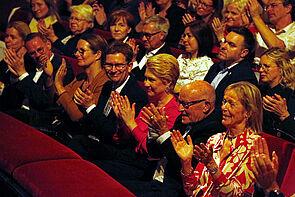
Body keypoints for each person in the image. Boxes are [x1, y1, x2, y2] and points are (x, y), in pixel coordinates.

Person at [123, 80, 224, 196]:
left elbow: (182, 167)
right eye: (180, 102)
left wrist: (163, 133)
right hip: (154, 175)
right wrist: (154, 131)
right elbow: (154, 153)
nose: (180, 109)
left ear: (206, 106)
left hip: (174, 189)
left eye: (186, 104)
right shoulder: (182, 119)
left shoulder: (214, 129)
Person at [171, 81, 263, 196]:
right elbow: (191, 190)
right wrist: (186, 162)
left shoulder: (255, 147)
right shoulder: (214, 140)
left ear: (248, 112)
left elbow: (235, 194)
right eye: (224, 102)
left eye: (231, 104)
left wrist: (212, 166)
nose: (224, 108)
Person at [68, 42, 148, 159]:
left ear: (129, 66)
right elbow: (99, 120)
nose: (113, 70)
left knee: (77, 143)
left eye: (119, 65)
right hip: (97, 140)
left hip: (116, 150)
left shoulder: (136, 94)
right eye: (109, 65)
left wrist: (90, 107)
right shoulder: (108, 85)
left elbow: (113, 133)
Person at [2, 32, 74, 127]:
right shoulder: (29, 61)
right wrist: (15, 77)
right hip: (22, 108)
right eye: (32, 53)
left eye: (40, 50)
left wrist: (22, 74)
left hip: (42, 117)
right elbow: (18, 90)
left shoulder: (61, 66)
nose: (38, 55)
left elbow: (43, 101)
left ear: (48, 45)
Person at [52, 33, 109, 136]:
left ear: (98, 54)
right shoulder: (81, 77)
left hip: (83, 135)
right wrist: (50, 78)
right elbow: (58, 99)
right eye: (76, 51)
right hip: (67, 127)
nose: (77, 54)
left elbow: (77, 116)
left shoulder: (104, 82)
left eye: (82, 51)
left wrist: (59, 85)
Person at [204, 26, 258, 115]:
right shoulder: (216, 66)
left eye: (231, 45)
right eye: (225, 41)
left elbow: (233, 111)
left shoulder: (245, 77)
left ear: (243, 53)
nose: (223, 46)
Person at [258, 48, 295, 143]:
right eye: (260, 66)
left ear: (281, 68)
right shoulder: (259, 91)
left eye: (266, 66)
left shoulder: (290, 94)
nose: (261, 70)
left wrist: (284, 115)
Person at [0, 21, 32, 111]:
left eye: (12, 37)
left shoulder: (29, 62)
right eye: (6, 36)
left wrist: (2, 87)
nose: (7, 40)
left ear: (24, 41)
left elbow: (22, 93)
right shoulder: (7, 59)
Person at [132, 15, 172, 82]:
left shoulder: (165, 58)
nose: (143, 39)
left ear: (161, 35)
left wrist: (133, 60)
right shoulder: (139, 49)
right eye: (143, 34)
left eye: (148, 35)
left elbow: (143, 81)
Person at [176, 21, 214, 88]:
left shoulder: (206, 65)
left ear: (200, 38)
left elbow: (194, 89)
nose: (185, 39)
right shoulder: (181, 58)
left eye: (189, 36)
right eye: (184, 36)